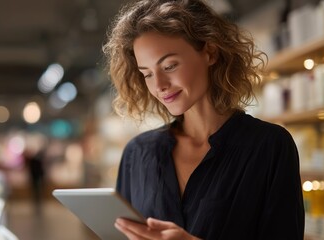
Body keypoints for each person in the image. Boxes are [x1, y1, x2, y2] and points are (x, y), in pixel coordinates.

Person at [102, 0, 305, 239]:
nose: (159, 86)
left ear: (210, 52)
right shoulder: (137, 153)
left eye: (169, 66)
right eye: (146, 74)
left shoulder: (269, 146)